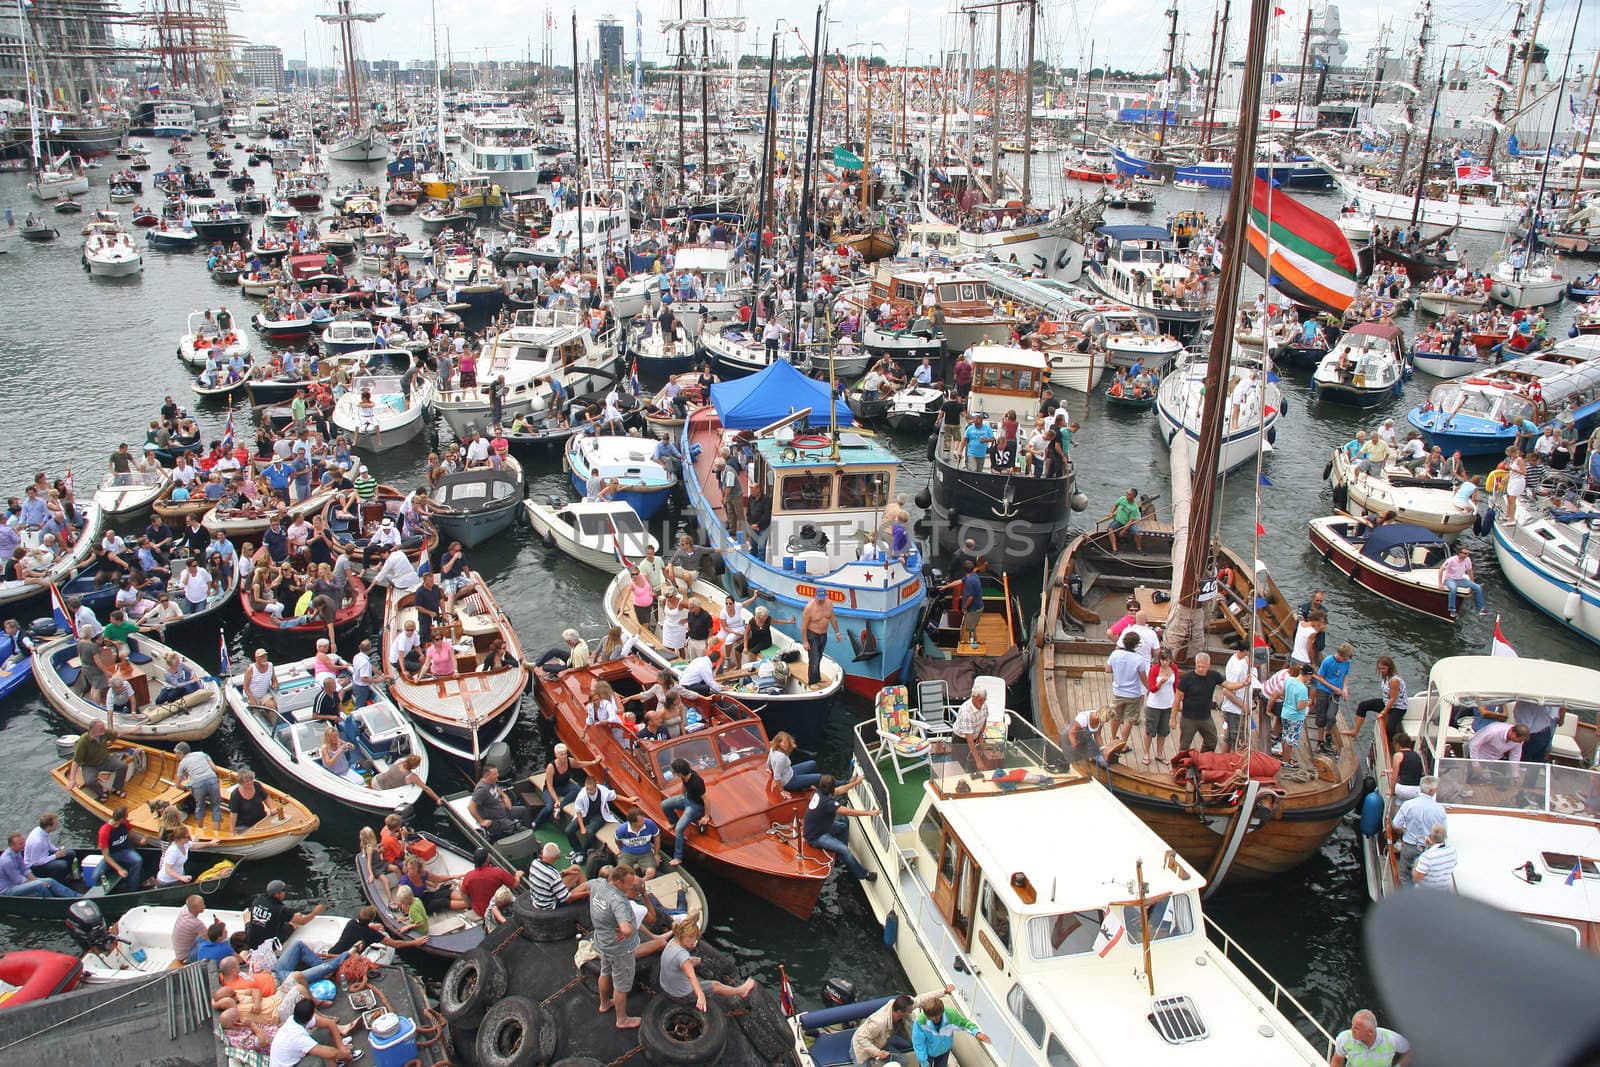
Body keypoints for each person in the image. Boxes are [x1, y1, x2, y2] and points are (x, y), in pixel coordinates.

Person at [659, 915, 756, 1011]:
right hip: (680, 995)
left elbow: (680, 962)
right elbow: (691, 976)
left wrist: (692, 962)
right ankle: (741, 991)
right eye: (693, 940)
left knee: (696, 960)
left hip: (665, 986)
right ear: (687, 937)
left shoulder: (672, 942)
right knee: (716, 985)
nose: (694, 943)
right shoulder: (682, 955)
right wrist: (700, 994)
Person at [590, 865, 646, 1029]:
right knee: (621, 986)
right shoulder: (618, 901)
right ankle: (622, 1019)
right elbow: (626, 928)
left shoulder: (598, 884)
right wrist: (628, 932)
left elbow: (586, 886)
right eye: (629, 884)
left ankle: (604, 1003)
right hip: (620, 949)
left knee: (605, 972)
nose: (631, 887)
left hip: (603, 941)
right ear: (618, 882)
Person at [851, 986, 956, 1066]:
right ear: (900, 1012)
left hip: (882, 1041)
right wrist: (878, 1053)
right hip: (861, 1049)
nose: (911, 1012)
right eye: (909, 1011)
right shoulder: (878, 1023)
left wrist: (944, 991)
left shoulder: (903, 1006)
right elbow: (861, 1039)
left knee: (903, 1061)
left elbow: (921, 999)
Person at [802, 774, 880, 882]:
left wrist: (856, 783)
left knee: (843, 826)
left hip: (818, 827)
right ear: (831, 788)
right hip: (815, 836)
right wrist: (869, 813)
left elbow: (840, 790)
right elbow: (848, 811)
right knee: (846, 850)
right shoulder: (827, 803)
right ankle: (864, 874)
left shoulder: (820, 793)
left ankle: (840, 857)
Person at [269, 996, 356, 1066]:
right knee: (321, 1057)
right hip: (292, 1064)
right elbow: (330, 1054)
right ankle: (337, 1060)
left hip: (296, 1057)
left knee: (325, 1032)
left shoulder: (295, 1019)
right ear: (310, 1017)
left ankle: (337, 1059)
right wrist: (345, 1055)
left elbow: (330, 1024)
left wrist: (342, 1048)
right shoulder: (297, 1037)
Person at [1392, 776, 1446, 887]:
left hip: (1410, 846)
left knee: (1405, 876)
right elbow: (1443, 832)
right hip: (1428, 849)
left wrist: (1405, 830)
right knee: (1425, 877)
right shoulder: (1439, 809)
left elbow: (1396, 824)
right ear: (1431, 791)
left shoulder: (1408, 805)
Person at [909, 996, 990, 1067]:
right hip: (927, 1054)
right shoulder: (920, 1021)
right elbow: (918, 1043)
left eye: (937, 1017)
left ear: (942, 1012)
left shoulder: (951, 1015)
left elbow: (964, 1024)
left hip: (944, 1052)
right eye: (931, 1018)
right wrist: (923, 1062)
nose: (935, 1020)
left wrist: (977, 1033)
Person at [247, 879, 327, 948]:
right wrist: (316, 911)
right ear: (278, 894)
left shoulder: (257, 900)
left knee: (249, 916)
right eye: (284, 891)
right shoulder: (280, 909)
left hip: (251, 940)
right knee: (295, 921)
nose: (285, 893)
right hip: (268, 945)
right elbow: (303, 921)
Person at [661, 758, 708, 867]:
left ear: (680, 772)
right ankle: (673, 821)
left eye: (675, 772)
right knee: (664, 804)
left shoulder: (697, 782)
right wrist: (682, 796)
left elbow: (706, 799)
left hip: (695, 806)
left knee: (679, 829)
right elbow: (684, 786)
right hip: (686, 799)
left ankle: (678, 857)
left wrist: (706, 816)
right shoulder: (684, 777)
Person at [1104, 630, 1147, 751]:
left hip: (1118, 692)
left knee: (1115, 716)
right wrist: (1151, 689)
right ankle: (1122, 744)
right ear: (1136, 645)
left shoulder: (1115, 654)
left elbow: (1107, 669)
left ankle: (1113, 739)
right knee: (1129, 719)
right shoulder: (1139, 659)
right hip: (1133, 694)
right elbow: (1143, 678)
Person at [1349, 656, 1407, 741]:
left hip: (1398, 707)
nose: (1381, 671)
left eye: (1384, 668)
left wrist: (1383, 713)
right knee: (1363, 705)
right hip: (1386, 702)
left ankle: (1396, 745)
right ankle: (1355, 731)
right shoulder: (1386, 676)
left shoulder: (1394, 680)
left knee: (1390, 729)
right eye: (1380, 668)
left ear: (1389, 667)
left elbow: (1393, 699)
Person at [1176, 653, 1225, 753]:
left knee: (1211, 741)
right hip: (1188, 718)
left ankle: (1203, 759)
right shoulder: (1187, 678)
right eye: (1198, 666)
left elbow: (1228, 685)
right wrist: (1173, 718)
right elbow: (1177, 698)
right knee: (1184, 745)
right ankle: (1183, 765)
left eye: (1203, 666)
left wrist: (1243, 684)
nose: (1201, 669)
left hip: (1205, 717)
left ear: (1208, 665)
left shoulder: (1214, 676)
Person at [0, 831, 74, 898]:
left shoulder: (17, 852)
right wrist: (38, 882)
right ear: (12, 845)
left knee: (49, 881)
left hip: (16, 883)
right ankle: (52, 902)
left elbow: (25, 870)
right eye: (21, 844)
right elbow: (18, 880)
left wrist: (35, 880)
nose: (24, 845)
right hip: (8, 889)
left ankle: (75, 896)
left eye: (24, 842)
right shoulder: (7, 861)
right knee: (40, 885)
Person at [1310, 643, 1354, 753]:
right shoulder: (1328, 661)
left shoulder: (1347, 663)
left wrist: (1345, 689)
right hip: (1324, 691)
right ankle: (1320, 741)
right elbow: (1320, 678)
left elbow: (1345, 676)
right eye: (1345, 658)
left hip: (1336, 693)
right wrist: (1333, 687)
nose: (1346, 660)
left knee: (1331, 716)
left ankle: (1328, 736)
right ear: (1340, 655)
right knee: (1321, 717)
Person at [1328, 1009, 1411, 1067]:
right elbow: (1337, 1061)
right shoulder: (1344, 1038)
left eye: (1356, 1028)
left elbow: (1410, 1050)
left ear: (1370, 1032)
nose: (1352, 1030)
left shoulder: (1392, 1039)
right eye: (1352, 1026)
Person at [469, 765, 533, 838]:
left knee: (523, 810)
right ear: (487, 775)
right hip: (497, 820)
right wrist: (481, 821)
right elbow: (471, 807)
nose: (498, 775)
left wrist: (505, 797)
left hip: (504, 811)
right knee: (518, 827)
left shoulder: (492, 782)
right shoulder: (481, 790)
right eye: (495, 774)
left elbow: (497, 789)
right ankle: (527, 838)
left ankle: (531, 831)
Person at [174, 741, 224, 832]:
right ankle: (217, 833)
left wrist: (186, 788)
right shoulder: (202, 754)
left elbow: (177, 785)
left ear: (181, 753)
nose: (175, 756)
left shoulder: (182, 763)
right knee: (216, 806)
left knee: (200, 806)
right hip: (212, 779)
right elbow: (215, 769)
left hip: (198, 784)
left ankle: (200, 830)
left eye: (176, 753)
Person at [73, 719, 131, 797]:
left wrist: (134, 730)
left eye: (103, 728)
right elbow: (76, 761)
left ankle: (117, 788)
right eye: (101, 729)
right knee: (89, 781)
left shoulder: (104, 733)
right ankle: (102, 792)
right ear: (93, 730)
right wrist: (72, 780)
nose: (104, 730)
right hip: (90, 765)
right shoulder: (83, 741)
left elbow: (117, 734)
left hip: (105, 759)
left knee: (122, 766)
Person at [525, 841, 590, 909]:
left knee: (576, 868)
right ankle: (590, 901)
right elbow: (567, 899)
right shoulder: (553, 874)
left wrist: (564, 872)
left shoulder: (535, 862)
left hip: (540, 899)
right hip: (550, 905)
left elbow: (548, 878)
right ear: (557, 856)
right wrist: (587, 893)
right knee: (588, 885)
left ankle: (587, 900)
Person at [96, 805, 149, 889]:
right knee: (96, 876)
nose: (127, 819)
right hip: (111, 855)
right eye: (126, 817)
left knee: (138, 860)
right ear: (121, 819)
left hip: (125, 851)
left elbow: (131, 835)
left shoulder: (125, 824)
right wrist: (119, 869)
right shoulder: (104, 831)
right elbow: (106, 856)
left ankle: (132, 887)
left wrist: (140, 842)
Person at [940, 558, 985, 652]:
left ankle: (973, 645)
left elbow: (970, 597)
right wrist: (946, 586)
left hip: (974, 609)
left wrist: (964, 608)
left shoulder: (969, 581)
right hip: (976, 606)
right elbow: (959, 581)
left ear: (964, 570)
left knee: (971, 628)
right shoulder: (973, 576)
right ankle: (972, 643)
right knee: (972, 627)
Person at [1143, 649, 1178, 767]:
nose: (1165, 663)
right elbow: (1151, 688)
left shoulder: (1174, 669)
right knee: (1150, 730)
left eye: (1168, 660)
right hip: (1154, 705)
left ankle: (1159, 753)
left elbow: (1176, 685)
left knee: (1163, 731)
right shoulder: (1154, 669)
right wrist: (1160, 684)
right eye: (1163, 660)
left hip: (1168, 704)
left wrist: (1178, 702)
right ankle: (1146, 753)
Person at [800, 588, 841, 689]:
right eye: (819, 598)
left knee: (819, 656)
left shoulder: (829, 604)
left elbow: (832, 618)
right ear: (815, 596)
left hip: (824, 634)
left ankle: (817, 677)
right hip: (812, 635)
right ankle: (812, 681)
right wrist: (805, 641)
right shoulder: (809, 608)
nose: (821, 600)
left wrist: (837, 632)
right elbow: (804, 626)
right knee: (814, 658)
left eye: (822, 598)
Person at [611, 807, 663, 879]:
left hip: (646, 853)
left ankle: (641, 883)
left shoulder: (649, 824)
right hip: (628, 853)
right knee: (621, 874)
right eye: (641, 821)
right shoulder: (622, 829)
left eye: (643, 818)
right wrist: (621, 851)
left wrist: (656, 854)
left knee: (651, 872)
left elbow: (657, 836)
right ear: (633, 823)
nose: (644, 821)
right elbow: (617, 840)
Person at [23, 813, 75, 884]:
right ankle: (58, 883)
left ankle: (67, 875)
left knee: (70, 853)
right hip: (34, 866)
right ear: (49, 826)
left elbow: (48, 844)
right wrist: (55, 856)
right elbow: (36, 862)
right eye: (56, 824)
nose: (57, 825)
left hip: (43, 855)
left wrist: (57, 850)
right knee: (62, 865)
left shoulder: (43, 831)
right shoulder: (37, 841)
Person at [1411, 823, 1457, 890]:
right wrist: (1430, 847)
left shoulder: (1426, 856)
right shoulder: (1452, 851)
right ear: (1445, 836)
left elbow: (1416, 879)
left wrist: (1417, 861)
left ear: (1430, 836)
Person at [1103, 488, 1144, 553]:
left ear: (1133, 496)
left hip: (1128, 523)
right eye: (1127, 493)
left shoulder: (1134, 508)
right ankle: (1114, 549)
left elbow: (1131, 521)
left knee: (1137, 534)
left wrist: (1123, 530)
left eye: (1129, 494)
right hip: (1119, 520)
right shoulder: (1122, 498)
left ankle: (1139, 549)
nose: (1126, 495)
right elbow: (1115, 505)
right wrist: (1111, 512)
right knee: (1110, 530)